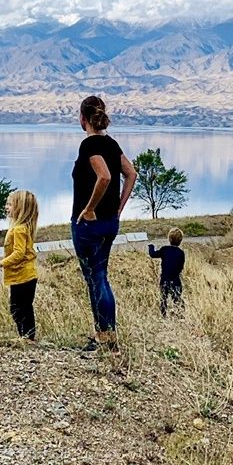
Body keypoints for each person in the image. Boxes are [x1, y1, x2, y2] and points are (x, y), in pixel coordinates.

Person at [72, 95, 137, 352]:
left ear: (83, 118)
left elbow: (105, 177)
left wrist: (89, 209)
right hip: (110, 223)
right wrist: (118, 207)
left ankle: (105, 338)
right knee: (101, 277)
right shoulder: (112, 143)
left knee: (95, 279)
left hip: (90, 225)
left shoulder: (89, 146)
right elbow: (131, 173)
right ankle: (107, 336)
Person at [0, 189, 40, 341]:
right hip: (21, 276)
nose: (6, 207)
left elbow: (19, 253)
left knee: (19, 308)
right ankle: (26, 337)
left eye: (10, 204)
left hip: (23, 276)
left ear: (20, 208)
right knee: (21, 308)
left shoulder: (19, 230)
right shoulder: (20, 228)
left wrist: (0, 263)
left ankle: (27, 337)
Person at [148, 228, 186, 316]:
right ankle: (180, 314)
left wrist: (151, 247)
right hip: (176, 280)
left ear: (169, 239)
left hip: (165, 279)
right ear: (180, 240)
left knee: (163, 298)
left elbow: (153, 254)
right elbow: (181, 267)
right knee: (177, 298)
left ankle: (163, 315)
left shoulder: (164, 249)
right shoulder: (181, 253)